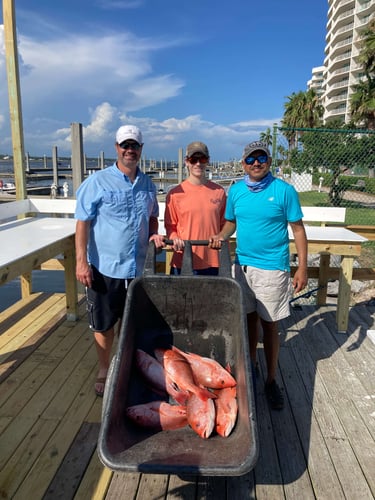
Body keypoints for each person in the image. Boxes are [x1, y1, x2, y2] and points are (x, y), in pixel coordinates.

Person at [210, 141, 307, 410]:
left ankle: (271, 379)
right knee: (249, 319)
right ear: (243, 163)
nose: (256, 163)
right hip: (242, 265)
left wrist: (301, 267)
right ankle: (252, 366)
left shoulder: (284, 191)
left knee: (270, 324)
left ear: (269, 161)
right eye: (250, 159)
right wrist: (220, 236)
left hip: (273, 268)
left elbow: (298, 229)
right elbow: (231, 222)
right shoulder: (237, 190)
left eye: (261, 158)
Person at [75, 125, 165, 397]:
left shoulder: (148, 184)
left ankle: (129, 367)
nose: (130, 150)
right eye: (125, 145)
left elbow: (152, 217)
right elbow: (82, 223)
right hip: (104, 269)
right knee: (103, 324)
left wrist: (153, 235)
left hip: (137, 270)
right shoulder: (97, 182)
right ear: (116, 148)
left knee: (134, 322)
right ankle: (104, 368)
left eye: (134, 146)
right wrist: (81, 262)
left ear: (141, 150)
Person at [164, 141, 226, 275]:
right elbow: (170, 227)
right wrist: (174, 238)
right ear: (187, 162)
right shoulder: (175, 194)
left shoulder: (220, 192)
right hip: (183, 261)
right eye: (193, 159)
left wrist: (220, 237)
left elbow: (224, 225)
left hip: (213, 262)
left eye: (202, 159)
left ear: (208, 161)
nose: (198, 163)